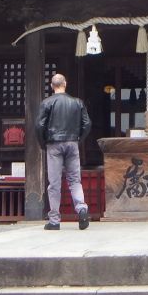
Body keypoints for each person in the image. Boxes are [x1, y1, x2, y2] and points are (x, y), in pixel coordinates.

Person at [36, 73, 92, 230]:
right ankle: (81, 209)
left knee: (54, 183)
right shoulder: (77, 102)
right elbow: (87, 124)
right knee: (74, 180)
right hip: (72, 143)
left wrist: (43, 143)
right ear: (65, 84)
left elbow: (39, 125)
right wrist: (79, 138)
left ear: (51, 86)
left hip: (54, 144)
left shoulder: (47, 103)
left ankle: (54, 220)